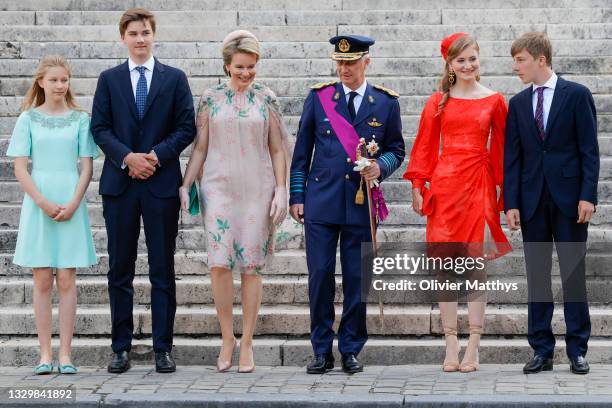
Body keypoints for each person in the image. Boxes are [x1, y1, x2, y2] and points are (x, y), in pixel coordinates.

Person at [290, 34, 405, 374]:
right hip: (321, 201)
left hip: (360, 204)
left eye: (351, 63)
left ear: (366, 61)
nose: (344, 69)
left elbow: (396, 150)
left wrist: (378, 167)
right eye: (339, 63)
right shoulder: (320, 97)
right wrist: (297, 196)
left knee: (356, 279)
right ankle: (321, 349)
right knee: (320, 276)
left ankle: (351, 347)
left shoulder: (385, 103)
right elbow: (301, 154)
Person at [91, 8, 196, 374]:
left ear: (154, 35)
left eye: (145, 32)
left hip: (160, 184)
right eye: (133, 33)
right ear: (123, 37)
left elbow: (186, 128)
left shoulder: (175, 78)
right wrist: (127, 158)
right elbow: (100, 128)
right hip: (120, 187)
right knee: (120, 268)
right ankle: (120, 347)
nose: (140, 39)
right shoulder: (109, 79)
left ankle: (162, 348)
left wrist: (155, 156)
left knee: (162, 270)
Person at [180, 30, 291, 374]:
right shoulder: (211, 98)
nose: (246, 74)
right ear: (227, 65)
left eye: (252, 67)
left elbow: (277, 148)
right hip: (218, 187)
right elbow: (200, 146)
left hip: (258, 188)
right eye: (240, 67)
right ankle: (227, 337)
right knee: (219, 263)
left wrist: (283, 189)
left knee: (251, 266)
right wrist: (186, 185)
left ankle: (247, 343)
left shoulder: (265, 97)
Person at [404, 33, 511, 373]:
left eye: (472, 59)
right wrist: (417, 186)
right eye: (460, 60)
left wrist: (504, 195)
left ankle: (474, 346)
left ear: (480, 59)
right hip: (445, 188)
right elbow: (423, 147)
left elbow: (504, 152)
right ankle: (451, 344)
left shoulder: (495, 100)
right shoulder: (438, 101)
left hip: (478, 185)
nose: (467, 65)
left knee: (476, 268)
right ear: (449, 64)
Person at [504, 32, 599, 375]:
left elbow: (589, 150)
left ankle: (577, 349)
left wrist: (588, 194)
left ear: (540, 59)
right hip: (531, 202)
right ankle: (542, 349)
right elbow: (512, 157)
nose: (516, 67)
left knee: (573, 276)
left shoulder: (576, 95)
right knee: (537, 277)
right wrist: (510, 202)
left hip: (571, 201)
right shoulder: (516, 104)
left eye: (520, 60)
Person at [7, 55, 98, 375]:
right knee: (43, 279)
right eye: (55, 80)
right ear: (41, 82)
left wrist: (74, 202)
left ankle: (66, 354)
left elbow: (86, 167)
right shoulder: (28, 119)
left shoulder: (80, 119)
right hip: (39, 201)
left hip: (71, 199)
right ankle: (45, 352)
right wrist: (42, 202)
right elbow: (20, 167)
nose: (60, 85)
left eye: (65, 80)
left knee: (68, 279)